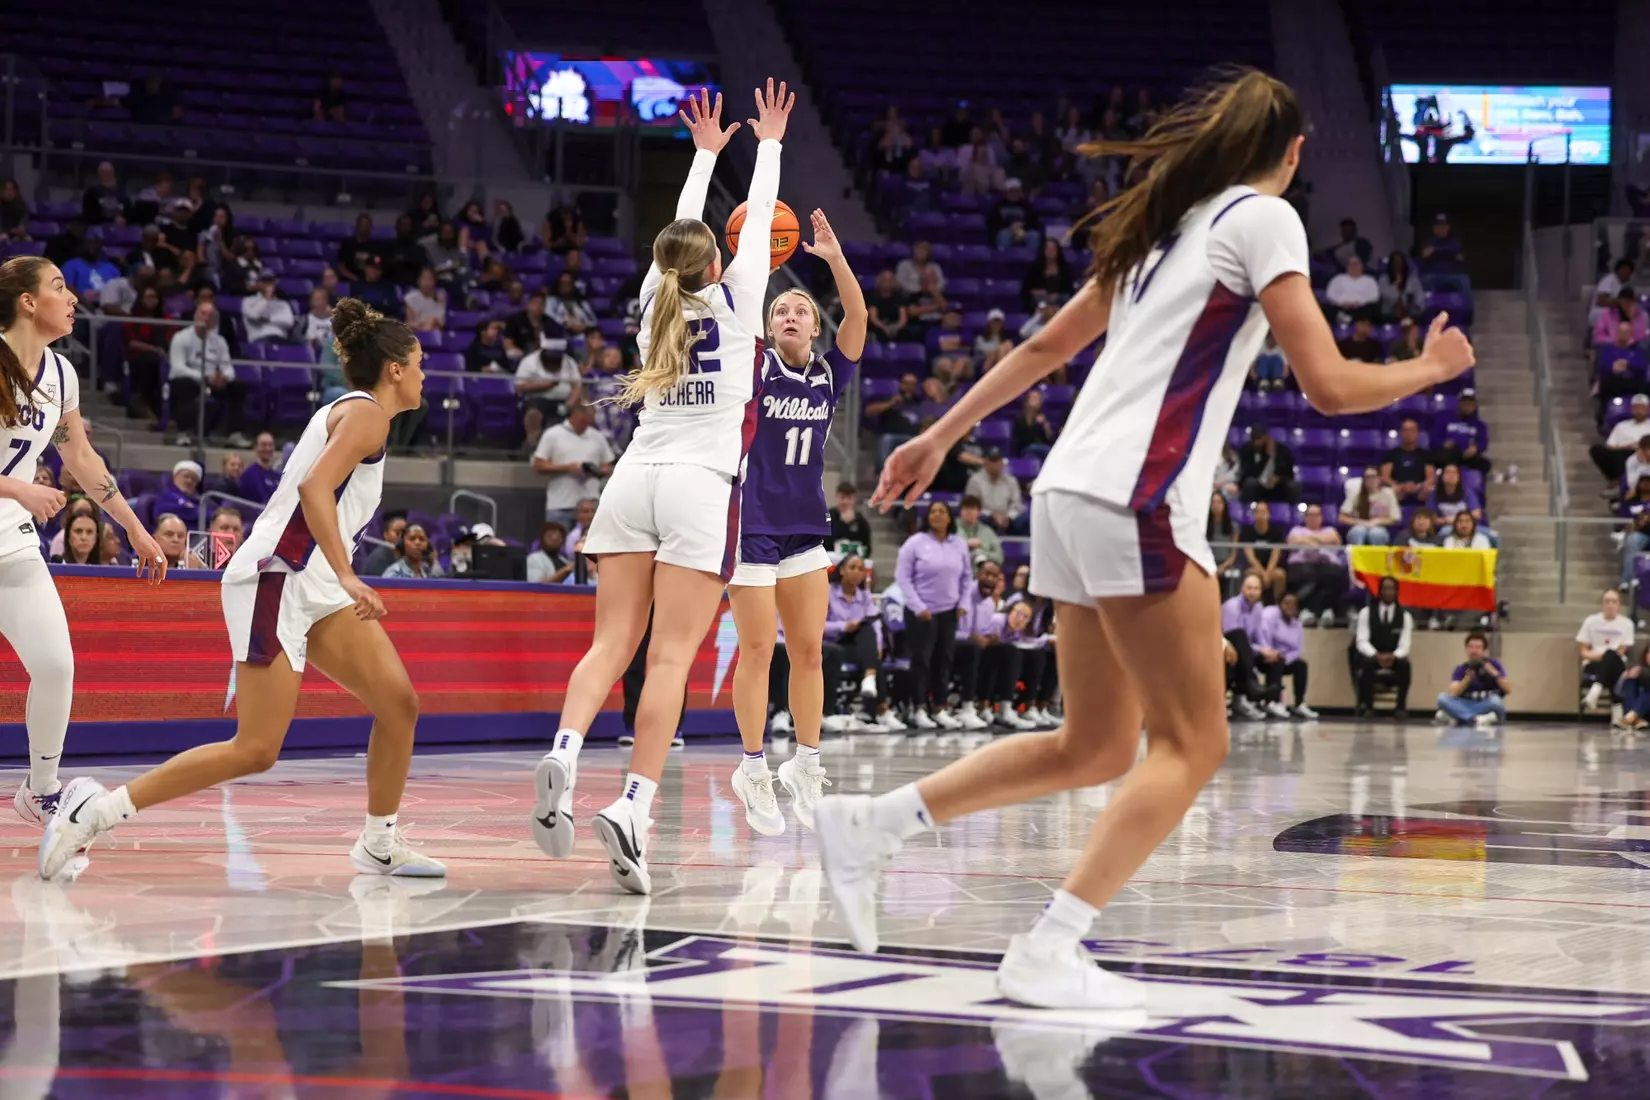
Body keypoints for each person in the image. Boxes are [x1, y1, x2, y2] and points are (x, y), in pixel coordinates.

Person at [814, 68, 1474, 1010]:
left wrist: (938, 434)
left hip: (1068, 496)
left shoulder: (1163, 234)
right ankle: (1051, 946)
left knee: (1094, 746)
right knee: (1192, 743)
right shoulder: (1263, 218)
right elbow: (1326, 384)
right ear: (1290, 154)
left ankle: (872, 822)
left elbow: (1045, 350)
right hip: (1139, 496)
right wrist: (1430, 367)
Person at [41, 299, 445, 880]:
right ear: (395, 370)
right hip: (279, 575)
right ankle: (93, 814)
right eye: (420, 362)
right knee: (256, 748)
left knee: (399, 704)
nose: (426, 373)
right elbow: (314, 489)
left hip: (314, 580)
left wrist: (339, 575)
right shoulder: (368, 415)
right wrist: (352, 574)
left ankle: (379, 840)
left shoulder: (355, 412)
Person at [526, 84, 794, 894]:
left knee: (608, 647)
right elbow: (755, 221)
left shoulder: (652, 298)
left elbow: (677, 240)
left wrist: (705, 153)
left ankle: (563, 753)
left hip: (629, 479)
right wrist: (767, 145)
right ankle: (635, 809)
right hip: (698, 487)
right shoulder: (742, 297)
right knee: (669, 658)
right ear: (721, 261)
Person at [0, 256, 166, 838]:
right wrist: (18, 485)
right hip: (12, 502)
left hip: (9, 539)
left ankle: (40, 791)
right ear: (26, 301)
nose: (72, 298)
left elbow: (82, 461)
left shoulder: (63, 375)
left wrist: (132, 527)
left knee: (55, 665)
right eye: (59, 286)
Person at [725, 208, 865, 835]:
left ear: (815, 326)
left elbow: (859, 320)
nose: (789, 315)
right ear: (769, 323)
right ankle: (752, 767)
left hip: (806, 524)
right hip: (750, 522)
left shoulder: (830, 373)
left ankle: (805, 763)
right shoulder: (752, 365)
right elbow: (733, 305)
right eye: (781, 310)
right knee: (758, 651)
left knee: (808, 652)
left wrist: (833, 258)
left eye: (801, 311)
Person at [895, 500, 972, 729]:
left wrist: (963, 601)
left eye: (942, 511)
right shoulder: (915, 543)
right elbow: (903, 577)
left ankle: (940, 707)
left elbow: (967, 577)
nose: (937, 515)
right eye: (933, 511)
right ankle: (918, 708)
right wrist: (919, 607)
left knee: (944, 660)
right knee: (921, 661)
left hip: (949, 612)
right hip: (922, 613)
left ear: (950, 518)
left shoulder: (959, 544)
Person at [168, 301, 249, 447]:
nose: (206, 318)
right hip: (191, 381)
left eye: (210, 316)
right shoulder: (180, 338)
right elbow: (177, 367)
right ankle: (183, 433)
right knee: (182, 384)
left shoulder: (220, 341)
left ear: (215, 321)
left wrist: (224, 377)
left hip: (213, 383)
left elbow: (228, 368)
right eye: (203, 314)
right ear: (195, 316)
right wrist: (204, 377)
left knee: (238, 386)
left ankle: (234, 434)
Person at [825, 553, 891, 724]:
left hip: (859, 646)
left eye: (861, 569)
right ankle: (882, 709)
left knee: (868, 632)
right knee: (872, 656)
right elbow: (817, 626)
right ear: (841, 570)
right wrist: (843, 626)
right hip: (833, 643)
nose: (856, 572)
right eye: (852, 567)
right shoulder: (827, 592)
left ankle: (870, 680)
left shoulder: (865, 596)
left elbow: (875, 623)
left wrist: (879, 645)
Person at [531, 401, 614, 528]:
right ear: (579, 414)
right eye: (592, 414)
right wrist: (567, 468)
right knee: (557, 541)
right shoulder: (553, 434)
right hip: (561, 503)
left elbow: (608, 466)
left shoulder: (597, 437)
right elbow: (538, 465)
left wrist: (596, 471)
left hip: (590, 503)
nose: (594, 418)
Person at [1353, 575, 1413, 717]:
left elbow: (1405, 644)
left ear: (1397, 591)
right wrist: (1375, 655)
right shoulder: (1366, 613)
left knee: (1405, 665)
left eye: (1392, 589)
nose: (1388, 592)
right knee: (1365, 664)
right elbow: (1361, 640)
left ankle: (1400, 707)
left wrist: (1394, 656)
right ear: (1379, 591)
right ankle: (1368, 707)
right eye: (1385, 589)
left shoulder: (1405, 616)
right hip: (1373, 656)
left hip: (1394, 658)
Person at [1256, 592, 1315, 718]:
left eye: (1293, 604)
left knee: (1301, 665)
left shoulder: (1297, 625)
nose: (1289, 607)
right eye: (1286, 603)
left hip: (1285, 659)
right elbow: (1263, 637)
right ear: (1280, 604)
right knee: (1276, 661)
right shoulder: (1271, 617)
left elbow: (1297, 649)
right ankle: (1272, 702)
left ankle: (1299, 704)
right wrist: (1272, 653)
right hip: (1266, 656)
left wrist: (1285, 658)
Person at [1220, 572, 1269, 721]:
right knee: (1240, 635)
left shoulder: (1259, 608)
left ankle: (1270, 702)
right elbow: (1231, 638)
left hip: (1247, 650)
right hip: (1226, 647)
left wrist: (1265, 650)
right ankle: (1249, 685)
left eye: (1256, 588)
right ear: (1242, 589)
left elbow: (1259, 634)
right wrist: (1258, 649)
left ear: (1261, 591)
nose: (1252, 592)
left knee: (1274, 659)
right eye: (1249, 588)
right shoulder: (1231, 606)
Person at [1436, 631, 1509, 728]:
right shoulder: (1461, 669)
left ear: (1483, 650)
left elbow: (1508, 689)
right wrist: (1467, 679)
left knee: (1496, 701)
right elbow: (1454, 693)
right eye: (1471, 647)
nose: (1474, 650)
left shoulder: (1494, 665)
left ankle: (1459, 717)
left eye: (1478, 647)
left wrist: (1494, 673)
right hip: (1467, 704)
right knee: (1442, 698)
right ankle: (1478, 718)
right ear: (1466, 649)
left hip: (1486, 704)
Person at [1578, 588, 1634, 710]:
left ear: (1619, 604)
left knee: (1610, 655)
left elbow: (1622, 650)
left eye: (1614, 601)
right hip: (1594, 663)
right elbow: (1583, 651)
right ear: (1602, 603)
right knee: (1611, 666)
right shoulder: (1591, 621)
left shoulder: (1627, 624)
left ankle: (1594, 692)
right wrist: (1598, 656)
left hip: (1618, 662)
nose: (1610, 605)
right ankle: (1617, 715)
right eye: (1607, 601)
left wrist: (1606, 655)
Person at [964, 447, 1026, 532]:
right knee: (980, 519)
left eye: (998, 461)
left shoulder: (1011, 480)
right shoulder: (975, 480)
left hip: (1008, 519)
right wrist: (991, 515)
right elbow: (971, 506)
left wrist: (1008, 516)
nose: (995, 465)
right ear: (985, 462)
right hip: (986, 518)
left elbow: (1016, 504)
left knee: (1024, 520)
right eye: (992, 461)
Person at [1238, 498, 1288, 602]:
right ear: (1253, 514)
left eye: (1263, 512)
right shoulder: (1247, 531)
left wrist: (1268, 573)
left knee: (1280, 575)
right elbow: (1251, 557)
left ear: (1269, 514)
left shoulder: (1276, 531)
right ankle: (1255, 606)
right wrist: (1263, 574)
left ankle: (1278, 606)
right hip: (1255, 567)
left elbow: (1275, 555)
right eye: (1258, 512)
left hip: (1271, 567)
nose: (1261, 515)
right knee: (1251, 574)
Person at [1593, 394, 1650, 482]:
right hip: (1623, 453)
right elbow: (1610, 446)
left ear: (1647, 409)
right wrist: (1626, 447)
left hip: (1645, 454)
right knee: (1597, 450)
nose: (1639, 410)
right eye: (1636, 407)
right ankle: (1617, 480)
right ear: (1631, 409)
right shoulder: (1621, 426)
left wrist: (1641, 447)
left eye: (1642, 408)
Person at [1238, 425, 1300, 503]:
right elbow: (1249, 473)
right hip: (1258, 486)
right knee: (1250, 483)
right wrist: (1266, 456)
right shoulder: (1247, 450)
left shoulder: (1283, 450)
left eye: (1259, 438)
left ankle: (1293, 511)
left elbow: (1289, 474)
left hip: (1278, 486)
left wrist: (1278, 479)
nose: (1256, 442)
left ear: (1266, 437)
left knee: (1294, 486)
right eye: (1254, 439)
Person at [1341, 465, 1400, 545]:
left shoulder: (1388, 493)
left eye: (1373, 477)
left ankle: (1377, 557)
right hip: (1359, 526)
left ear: (1379, 478)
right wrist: (1362, 522)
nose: (1370, 480)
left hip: (1380, 528)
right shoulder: (1356, 493)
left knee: (1375, 533)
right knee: (1358, 531)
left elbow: (1395, 518)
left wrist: (1377, 521)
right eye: (1367, 477)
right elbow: (1342, 517)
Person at [242, 271, 295, 343]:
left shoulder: (282, 303)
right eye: (265, 282)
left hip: (281, 337)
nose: (268, 285)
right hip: (260, 337)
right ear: (259, 284)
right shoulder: (249, 301)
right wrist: (266, 299)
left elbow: (289, 322)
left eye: (270, 282)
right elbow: (254, 316)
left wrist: (268, 320)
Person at [1324, 255, 1378, 322]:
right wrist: (1342, 303)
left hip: (1361, 309)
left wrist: (1358, 303)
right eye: (1351, 265)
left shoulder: (1370, 280)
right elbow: (1330, 294)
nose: (1354, 267)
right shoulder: (1338, 279)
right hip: (1340, 307)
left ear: (1361, 266)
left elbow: (1374, 296)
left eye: (1356, 265)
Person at [956, 494, 1004, 566]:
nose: (969, 512)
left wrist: (983, 554)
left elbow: (999, 557)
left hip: (982, 572)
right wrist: (966, 544)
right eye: (966, 508)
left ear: (979, 512)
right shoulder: (951, 528)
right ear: (960, 511)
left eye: (972, 508)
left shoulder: (987, 531)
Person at [1378, 251, 1426, 322]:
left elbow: (1420, 298)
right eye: (1395, 262)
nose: (1398, 265)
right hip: (1389, 311)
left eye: (1400, 262)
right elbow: (1385, 297)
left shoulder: (1413, 280)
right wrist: (1397, 286)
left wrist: (1414, 307)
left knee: (1416, 316)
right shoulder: (1383, 280)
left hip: (1410, 311)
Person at [826, 481, 872, 555]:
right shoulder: (827, 517)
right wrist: (843, 524)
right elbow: (825, 543)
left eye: (849, 498)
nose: (845, 502)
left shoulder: (861, 521)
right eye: (842, 497)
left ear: (854, 499)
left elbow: (867, 547)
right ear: (836, 497)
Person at [359, 510, 406, 577]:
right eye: (397, 533)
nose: (402, 536)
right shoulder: (378, 559)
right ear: (386, 534)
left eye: (405, 532)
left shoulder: (408, 554)